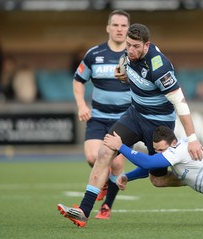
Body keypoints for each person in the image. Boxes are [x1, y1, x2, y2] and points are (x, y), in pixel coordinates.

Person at [57, 23, 203, 227]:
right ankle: (84, 210)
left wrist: (193, 140)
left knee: (158, 180)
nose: (131, 50)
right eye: (129, 45)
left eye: (136, 46)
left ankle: (198, 181)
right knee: (105, 151)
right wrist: (124, 78)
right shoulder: (127, 56)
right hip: (134, 116)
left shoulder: (159, 67)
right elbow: (132, 75)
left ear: (147, 45)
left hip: (159, 125)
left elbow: (181, 103)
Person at [71, 9, 131, 219]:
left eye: (124, 26)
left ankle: (107, 206)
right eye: (115, 25)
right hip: (98, 115)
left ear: (128, 29)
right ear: (108, 28)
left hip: (125, 119)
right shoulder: (94, 54)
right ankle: (102, 182)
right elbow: (78, 81)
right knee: (92, 157)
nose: (119, 29)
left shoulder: (134, 55)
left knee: (116, 163)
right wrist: (81, 105)